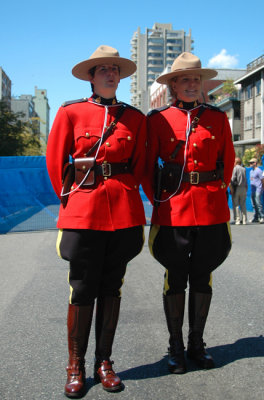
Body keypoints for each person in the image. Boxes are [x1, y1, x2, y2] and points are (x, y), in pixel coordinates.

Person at [46, 45, 147, 398]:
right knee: (82, 287)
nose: (109, 74)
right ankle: (76, 364)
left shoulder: (135, 118)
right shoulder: (70, 112)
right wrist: (70, 201)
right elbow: (56, 162)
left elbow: (141, 164)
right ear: (91, 76)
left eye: (114, 70)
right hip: (84, 210)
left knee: (112, 286)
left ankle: (104, 362)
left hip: (122, 212)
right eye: (102, 69)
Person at [142, 52, 235, 374]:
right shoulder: (157, 120)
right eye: (186, 79)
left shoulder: (217, 118)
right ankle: (175, 347)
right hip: (173, 210)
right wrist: (158, 199)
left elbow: (229, 159)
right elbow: (146, 165)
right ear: (173, 85)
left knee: (203, 277)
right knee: (175, 278)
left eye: (196, 79)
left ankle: (197, 343)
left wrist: (216, 192)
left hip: (210, 209)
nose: (192, 84)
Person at [230, 157, 248, 224]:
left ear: (236, 162)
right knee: (243, 204)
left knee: (236, 204)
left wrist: (232, 189)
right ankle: (244, 220)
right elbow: (245, 179)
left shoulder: (235, 168)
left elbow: (233, 179)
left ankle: (237, 220)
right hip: (243, 188)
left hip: (237, 188)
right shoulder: (243, 169)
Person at [249, 157, 264, 223]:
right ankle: (256, 217)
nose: (250, 164)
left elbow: (262, 180)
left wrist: (262, 188)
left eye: (251, 163)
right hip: (253, 190)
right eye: (250, 163)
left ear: (255, 163)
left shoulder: (259, 171)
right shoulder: (251, 171)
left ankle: (262, 217)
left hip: (258, 189)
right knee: (254, 204)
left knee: (258, 203)